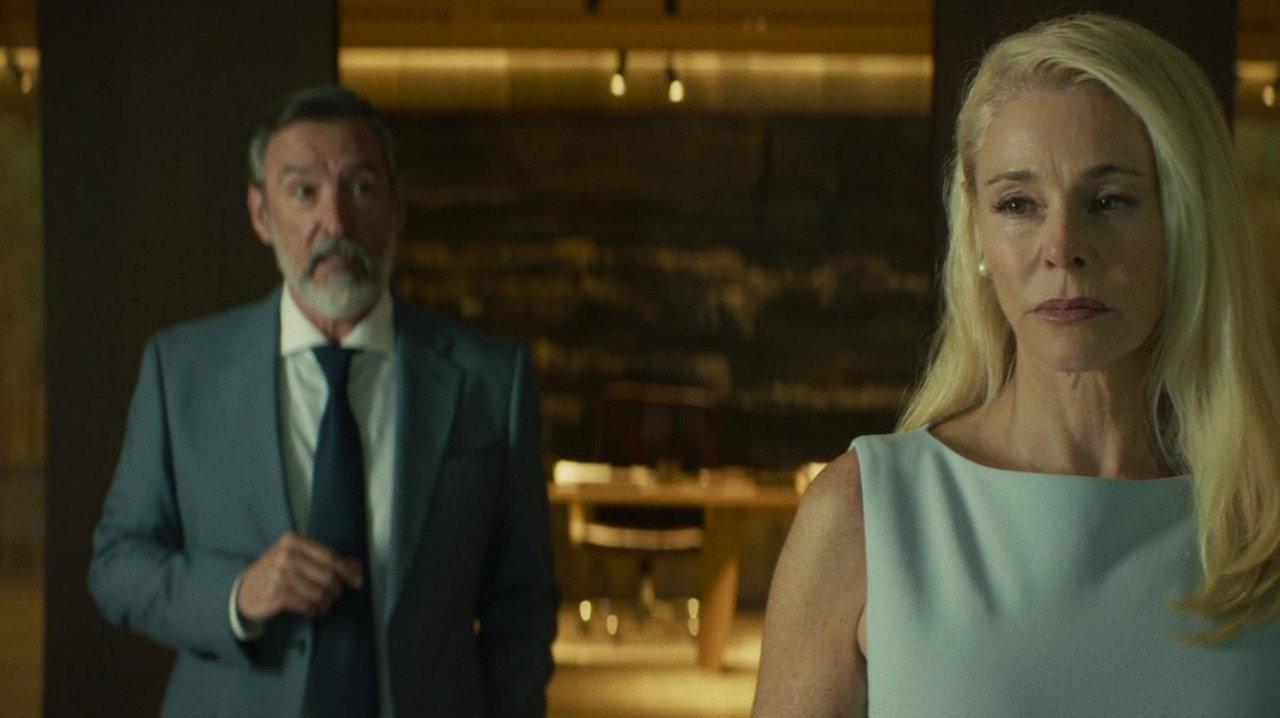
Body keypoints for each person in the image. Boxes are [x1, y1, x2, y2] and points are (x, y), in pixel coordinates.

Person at [753, 13, 1280, 717]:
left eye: (1110, 200)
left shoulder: (1262, 520)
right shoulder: (865, 516)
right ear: (977, 234)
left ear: (1185, 223)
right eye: (1018, 204)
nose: (1061, 248)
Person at [88, 85, 558, 717]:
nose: (335, 223)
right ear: (261, 215)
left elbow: (522, 602)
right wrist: (238, 594)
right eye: (304, 191)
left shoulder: (491, 380)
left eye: (360, 188)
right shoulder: (182, 371)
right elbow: (117, 565)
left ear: (398, 205)